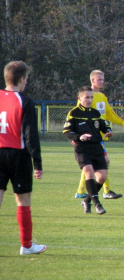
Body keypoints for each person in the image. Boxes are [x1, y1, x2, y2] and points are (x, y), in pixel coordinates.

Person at [0, 61, 46, 255]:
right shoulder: (25, 101)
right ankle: (26, 245)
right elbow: (30, 136)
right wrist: (38, 163)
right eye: (26, 78)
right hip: (18, 155)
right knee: (23, 199)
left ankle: (27, 245)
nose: (26, 82)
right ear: (21, 79)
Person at [74, 70, 124, 200]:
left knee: (91, 165)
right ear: (92, 80)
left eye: (103, 80)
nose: (102, 82)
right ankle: (107, 191)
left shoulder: (102, 97)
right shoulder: (87, 96)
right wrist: (77, 135)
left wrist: (122, 122)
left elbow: (109, 113)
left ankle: (81, 191)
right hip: (89, 137)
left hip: (100, 136)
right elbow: (77, 115)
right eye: (99, 80)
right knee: (103, 162)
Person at [63, 86, 112, 214]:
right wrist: (79, 136)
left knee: (102, 177)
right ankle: (97, 204)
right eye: (87, 97)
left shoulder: (95, 113)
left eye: (91, 97)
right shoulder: (73, 113)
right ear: (79, 98)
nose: (89, 100)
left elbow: (104, 125)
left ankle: (86, 200)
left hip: (96, 147)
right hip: (82, 148)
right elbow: (67, 131)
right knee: (89, 173)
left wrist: (108, 131)